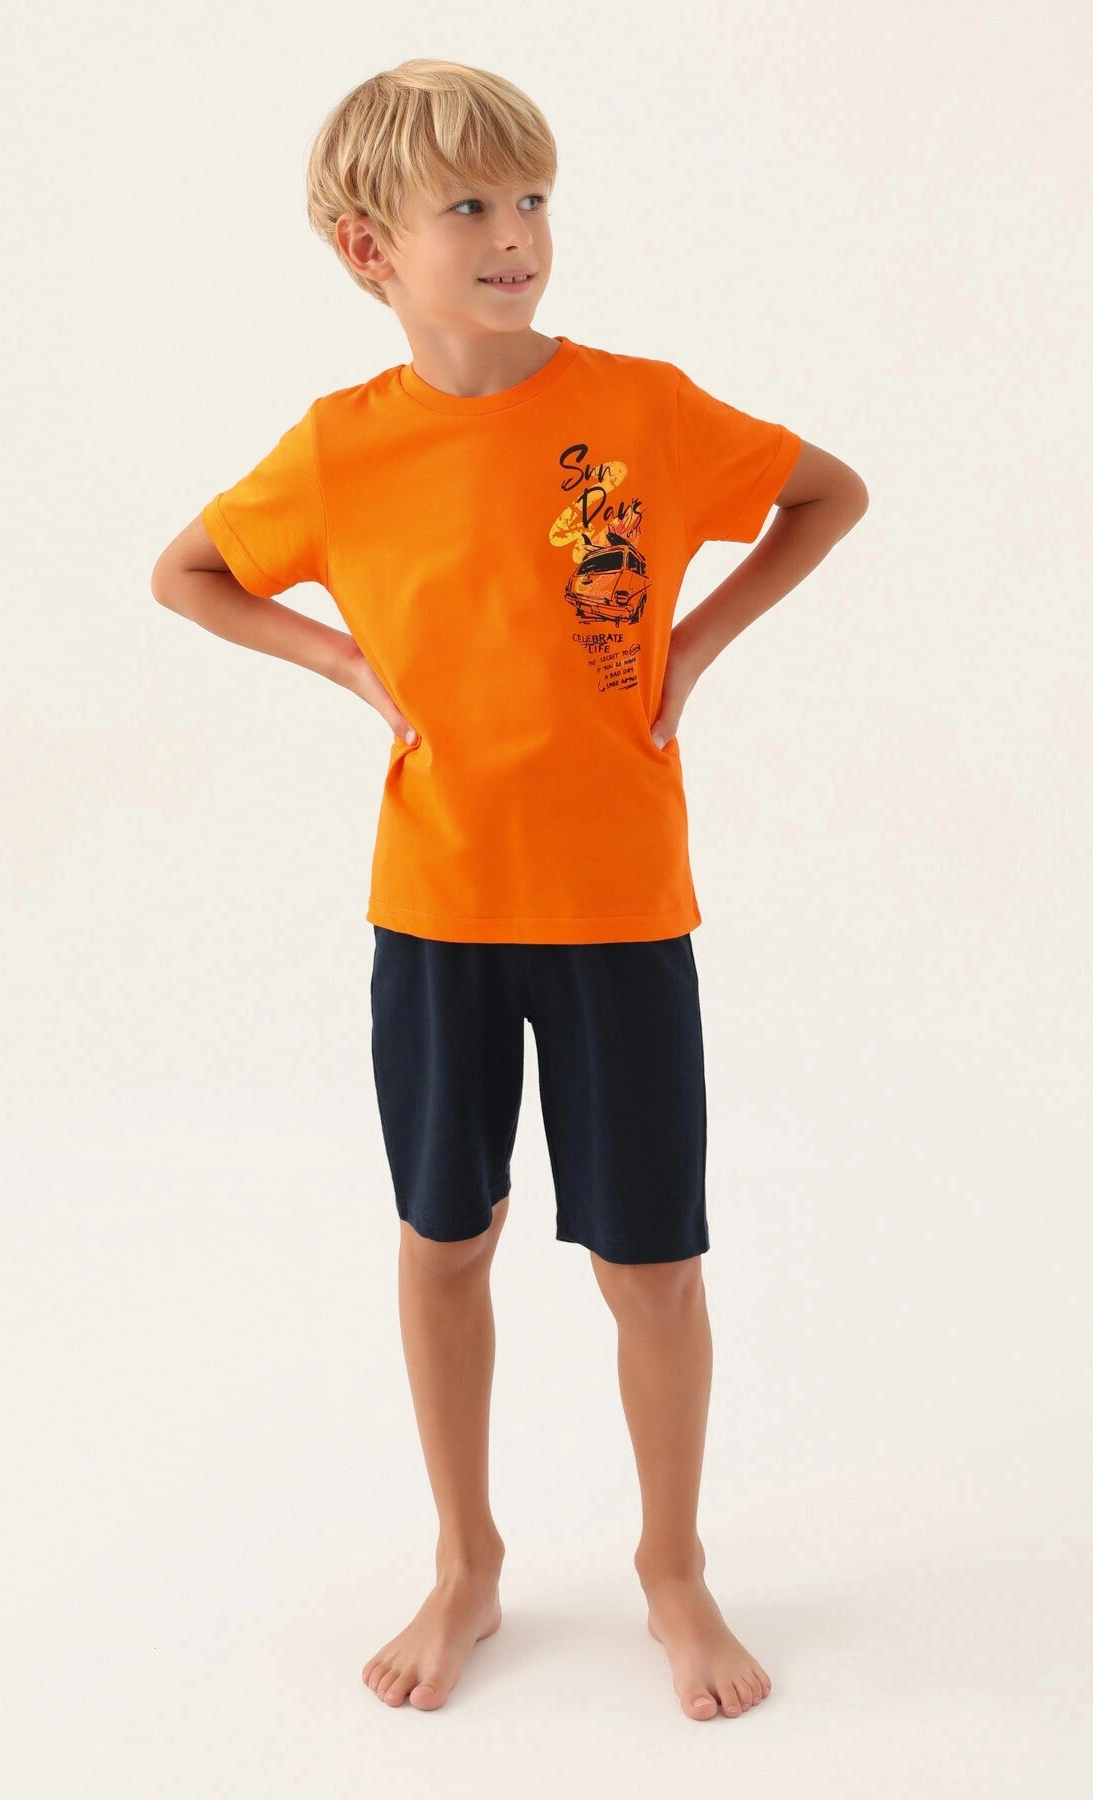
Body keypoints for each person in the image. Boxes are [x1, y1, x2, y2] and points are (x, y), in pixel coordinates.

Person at [151, 58, 868, 1722]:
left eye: (532, 198)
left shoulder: (642, 410)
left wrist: (695, 644)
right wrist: (345, 664)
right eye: (467, 205)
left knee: (653, 1267)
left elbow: (825, 492)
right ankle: (466, 1561)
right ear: (367, 249)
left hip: (622, 914)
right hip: (440, 916)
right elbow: (186, 573)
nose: (514, 234)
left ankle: (672, 1570)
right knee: (443, 1238)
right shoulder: (342, 449)